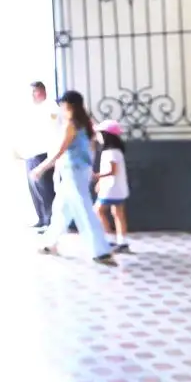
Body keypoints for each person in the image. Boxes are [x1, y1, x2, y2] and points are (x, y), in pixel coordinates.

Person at [33, 91, 117, 265]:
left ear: (68, 105)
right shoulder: (85, 124)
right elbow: (92, 148)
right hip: (78, 172)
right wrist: (89, 169)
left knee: (84, 210)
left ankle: (101, 252)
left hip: (73, 173)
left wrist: (41, 168)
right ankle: (49, 243)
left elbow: (60, 150)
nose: (61, 108)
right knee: (62, 209)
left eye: (62, 104)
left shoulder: (71, 124)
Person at [19, 82, 58, 230]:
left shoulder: (50, 107)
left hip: (43, 153)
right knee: (34, 188)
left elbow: (54, 129)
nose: (31, 95)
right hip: (30, 152)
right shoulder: (32, 110)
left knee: (45, 187)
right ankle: (41, 218)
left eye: (34, 92)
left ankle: (50, 221)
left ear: (41, 91)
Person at [95, 123, 131, 254]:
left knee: (98, 210)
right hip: (117, 188)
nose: (98, 137)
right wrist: (100, 181)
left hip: (111, 189)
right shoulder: (115, 151)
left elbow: (112, 171)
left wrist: (96, 176)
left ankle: (110, 238)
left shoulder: (111, 152)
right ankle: (122, 242)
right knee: (118, 213)